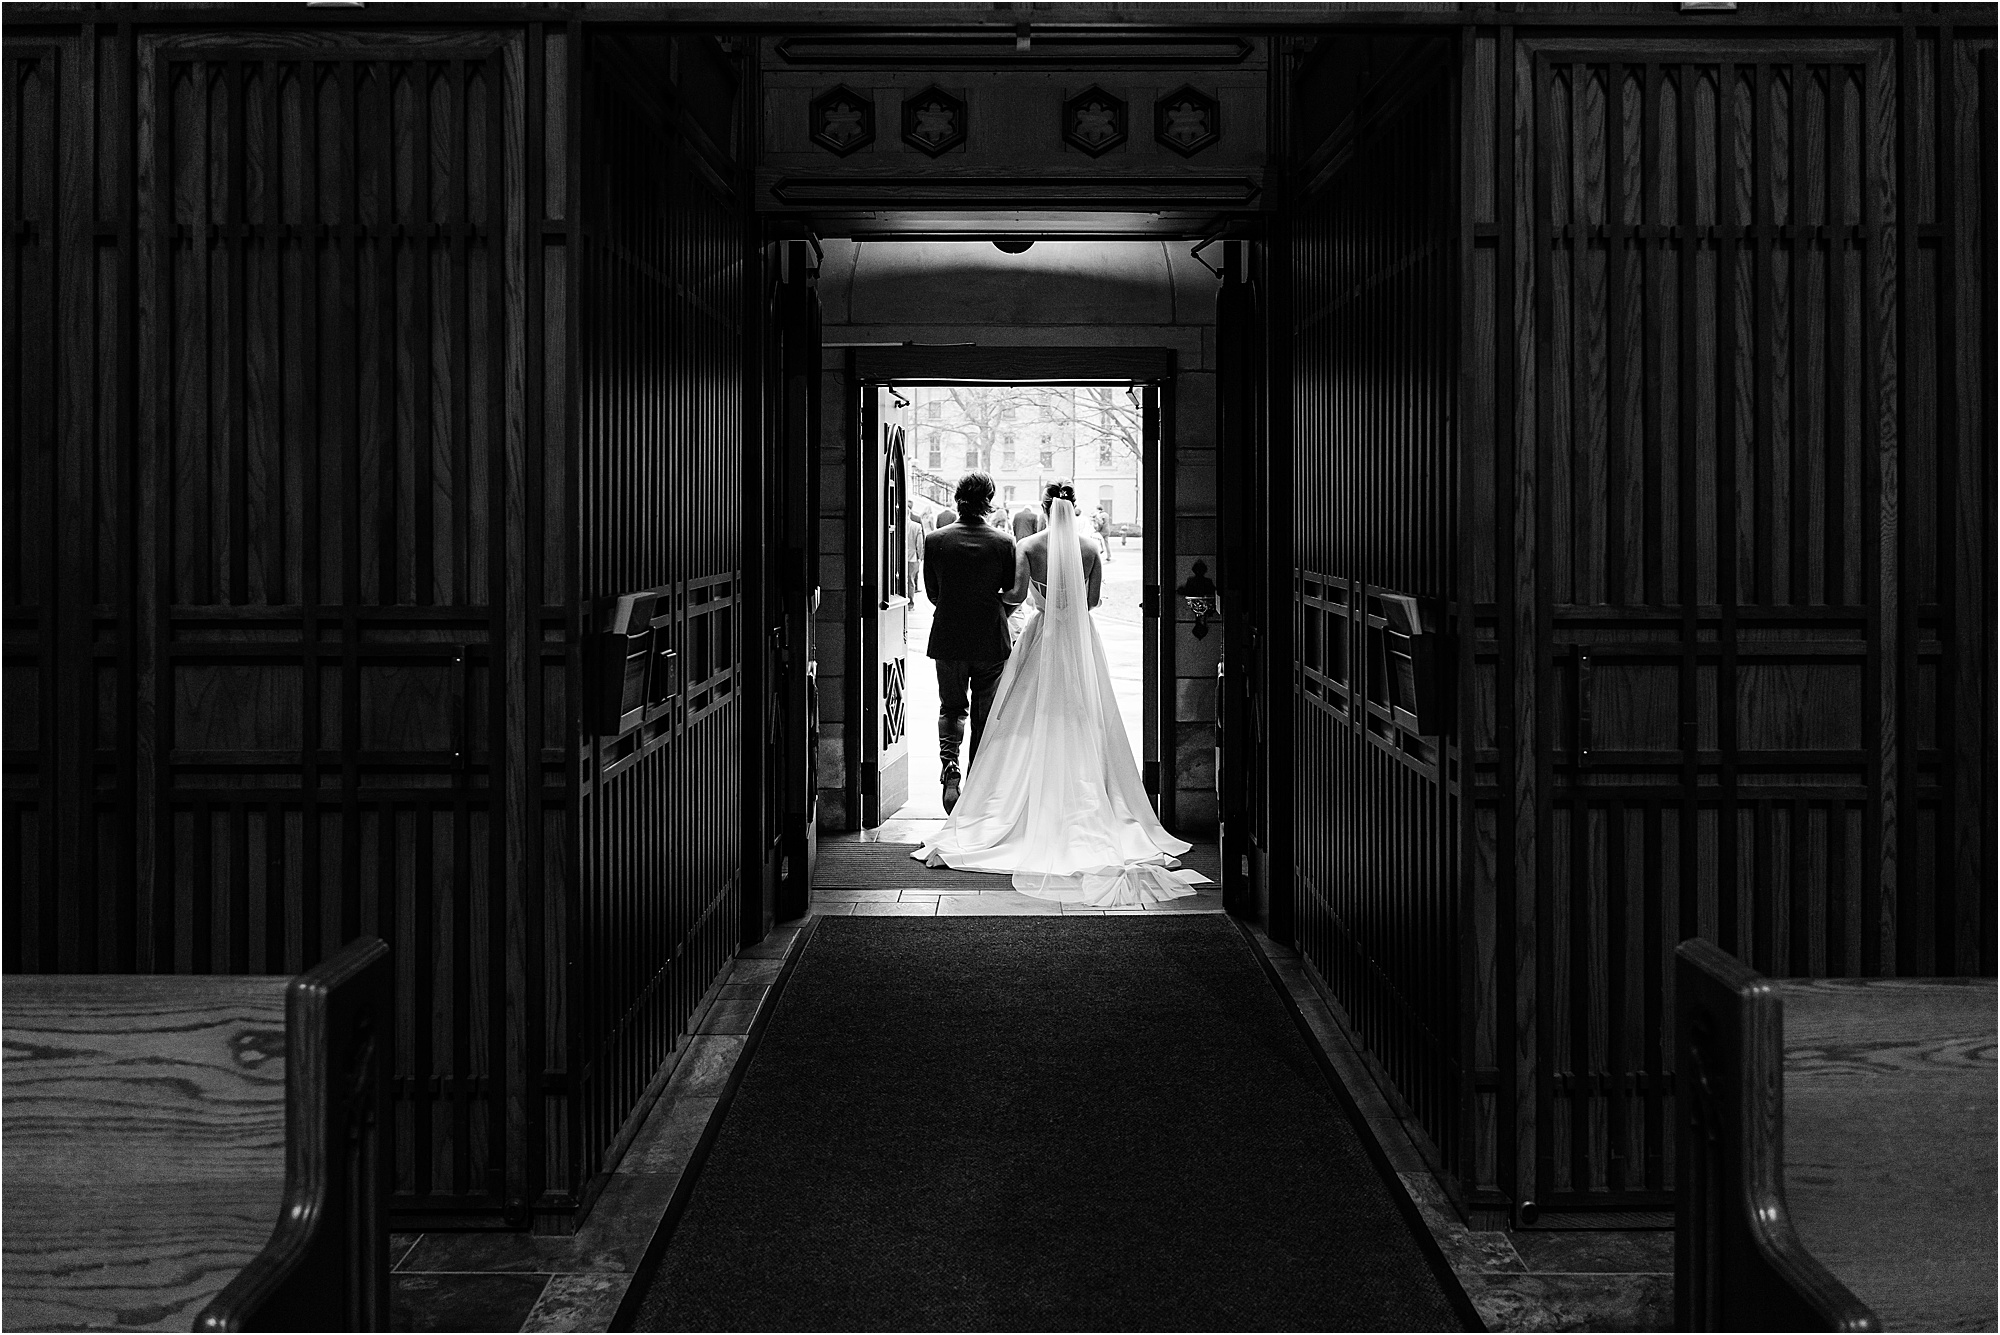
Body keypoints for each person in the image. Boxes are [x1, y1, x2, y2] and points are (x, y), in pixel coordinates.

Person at [913, 482, 1204, 906]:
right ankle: (1080, 784)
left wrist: (1032, 603)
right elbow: (1092, 601)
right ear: (1077, 508)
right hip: (1078, 639)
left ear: (1047, 509)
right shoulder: (1087, 547)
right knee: (1082, 712)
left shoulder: (1025, 545)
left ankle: (974, 780)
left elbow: (1010, 594)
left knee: (1019, 716)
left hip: (1034, 637)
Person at [921, 472, 1023, 813]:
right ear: (989, 501)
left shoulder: (935, 540)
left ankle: (950, 768)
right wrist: (996, 612)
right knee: (984, 713)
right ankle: (978, 779)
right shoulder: (1003, 542)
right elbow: (1012, 592)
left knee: (951, 707)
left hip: (949, 633)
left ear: (957, 498)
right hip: (990, 637)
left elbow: (933, 593)